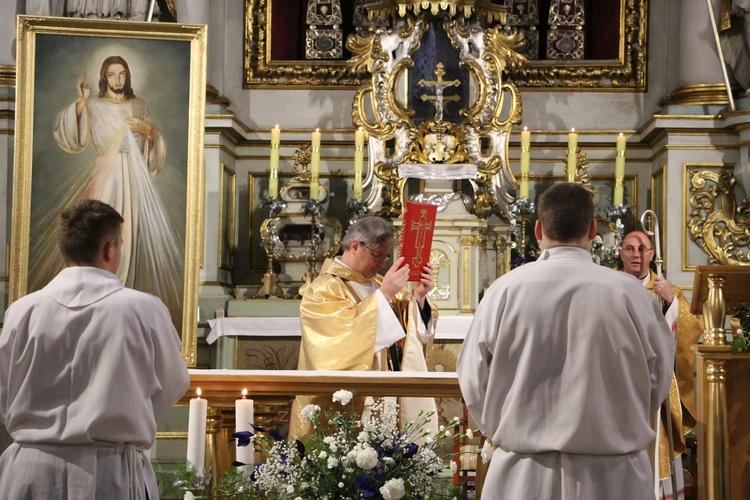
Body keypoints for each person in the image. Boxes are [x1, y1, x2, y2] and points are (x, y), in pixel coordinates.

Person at [457, 182, 675, 499]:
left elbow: (473, 378)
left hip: (523, 471)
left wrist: (504, 428)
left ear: (538, 229)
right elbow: (658, 376)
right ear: (593, 229)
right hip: (615, 473)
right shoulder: (630, 294)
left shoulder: (504, 291)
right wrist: (621, 419)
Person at [0, 199, 190, 499]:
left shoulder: (20, 312)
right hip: (106, 472)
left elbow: (5, 389)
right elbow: (173, 384)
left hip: (30, 470)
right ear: (110, 248)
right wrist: (122, 419)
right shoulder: (143, 310)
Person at [45, 54, 184, 326]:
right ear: (104, 77)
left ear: (128, 77)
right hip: (106, 172)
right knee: (97, 232)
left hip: (133, 176)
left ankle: (123, 293)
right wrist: (82, 102)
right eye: (112, 74)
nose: (117, 80)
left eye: (122, 74)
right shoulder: (94, 105)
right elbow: (77, 138)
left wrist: (150, 131)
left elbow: (155, 143)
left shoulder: (139, 105)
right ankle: (95, 299)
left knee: (129, 234)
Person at [288, 216, 438, 440]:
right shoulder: (324, 288)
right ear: (355, 246)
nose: (383, 263)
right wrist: (384, 295)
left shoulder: (378, 283)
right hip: (352, 401)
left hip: (387, 397)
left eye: (387, 256)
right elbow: (337, 342)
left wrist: (419, 296)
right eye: (378, 255)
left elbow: (411, 333)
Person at [620, 230, 704, 500]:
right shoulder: (608, 286)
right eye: (630, 248)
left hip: (655, 387)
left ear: (652, 255)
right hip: (618, 381)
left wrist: (672, 303)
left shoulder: (668, 291)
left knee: (657, 448)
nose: (636, 254)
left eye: (642, 249)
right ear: (620, 253)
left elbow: (692, 333)